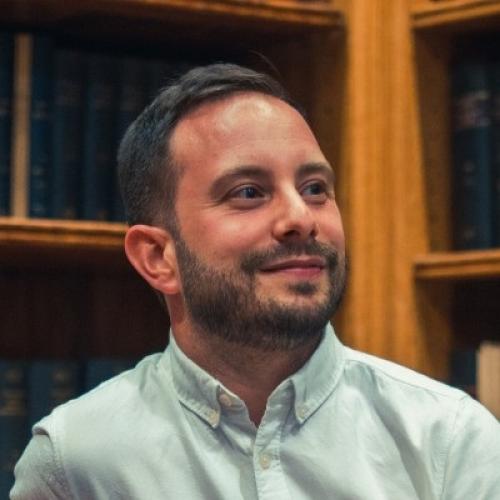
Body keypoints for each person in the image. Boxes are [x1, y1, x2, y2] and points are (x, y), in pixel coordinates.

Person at [11, 64, 499, 499]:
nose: (300, 218)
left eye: (315, 189)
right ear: (159, 257)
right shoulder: (75, 463)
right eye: (248, 192)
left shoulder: (450, 442)